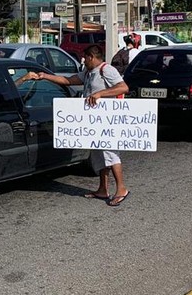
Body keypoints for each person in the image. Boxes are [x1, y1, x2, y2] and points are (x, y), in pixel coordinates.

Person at [25, 45, 131, 206]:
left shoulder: (106, 70)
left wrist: (100, 93)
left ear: (91, 57)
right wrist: (45, 76)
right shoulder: (89, 73)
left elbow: (123, 87)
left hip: (108, 121)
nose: (83, 60)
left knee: (110, 154)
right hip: (94, 122)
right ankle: (103, 189)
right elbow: (69, 80)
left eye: (84, 57)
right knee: (98, 155)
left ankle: (121, 188)